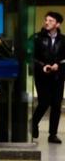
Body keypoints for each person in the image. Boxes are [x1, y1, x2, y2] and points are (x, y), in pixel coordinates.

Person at [32, 11, 65, 143]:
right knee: (44, 102)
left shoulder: (63, 40)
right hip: (42, 76)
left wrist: (58, 65)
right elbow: (32, 57)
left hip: (57, 76)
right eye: (46, 20)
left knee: (56, 105)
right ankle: (33, 123)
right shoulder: (37, 38)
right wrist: (42, 66)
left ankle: (53, 134)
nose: (47, 22)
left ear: (58, 24)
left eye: (51, 21)